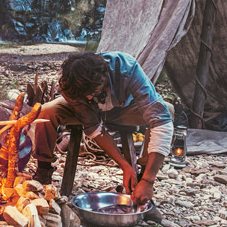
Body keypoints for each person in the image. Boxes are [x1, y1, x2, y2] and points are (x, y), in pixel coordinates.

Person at [33, 51, 174, 206]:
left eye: (92, 92)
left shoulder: (127, 69)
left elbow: (161, 121)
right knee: (45, 111)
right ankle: (43, 171)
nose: (88, 97)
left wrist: (148, 180)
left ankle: (142, 180)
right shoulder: (71, 84)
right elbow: (94, 128)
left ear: (104, 78)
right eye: (84, 95)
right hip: (89, 113)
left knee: (165, 112)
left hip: (123, 110)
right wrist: (124, 165)